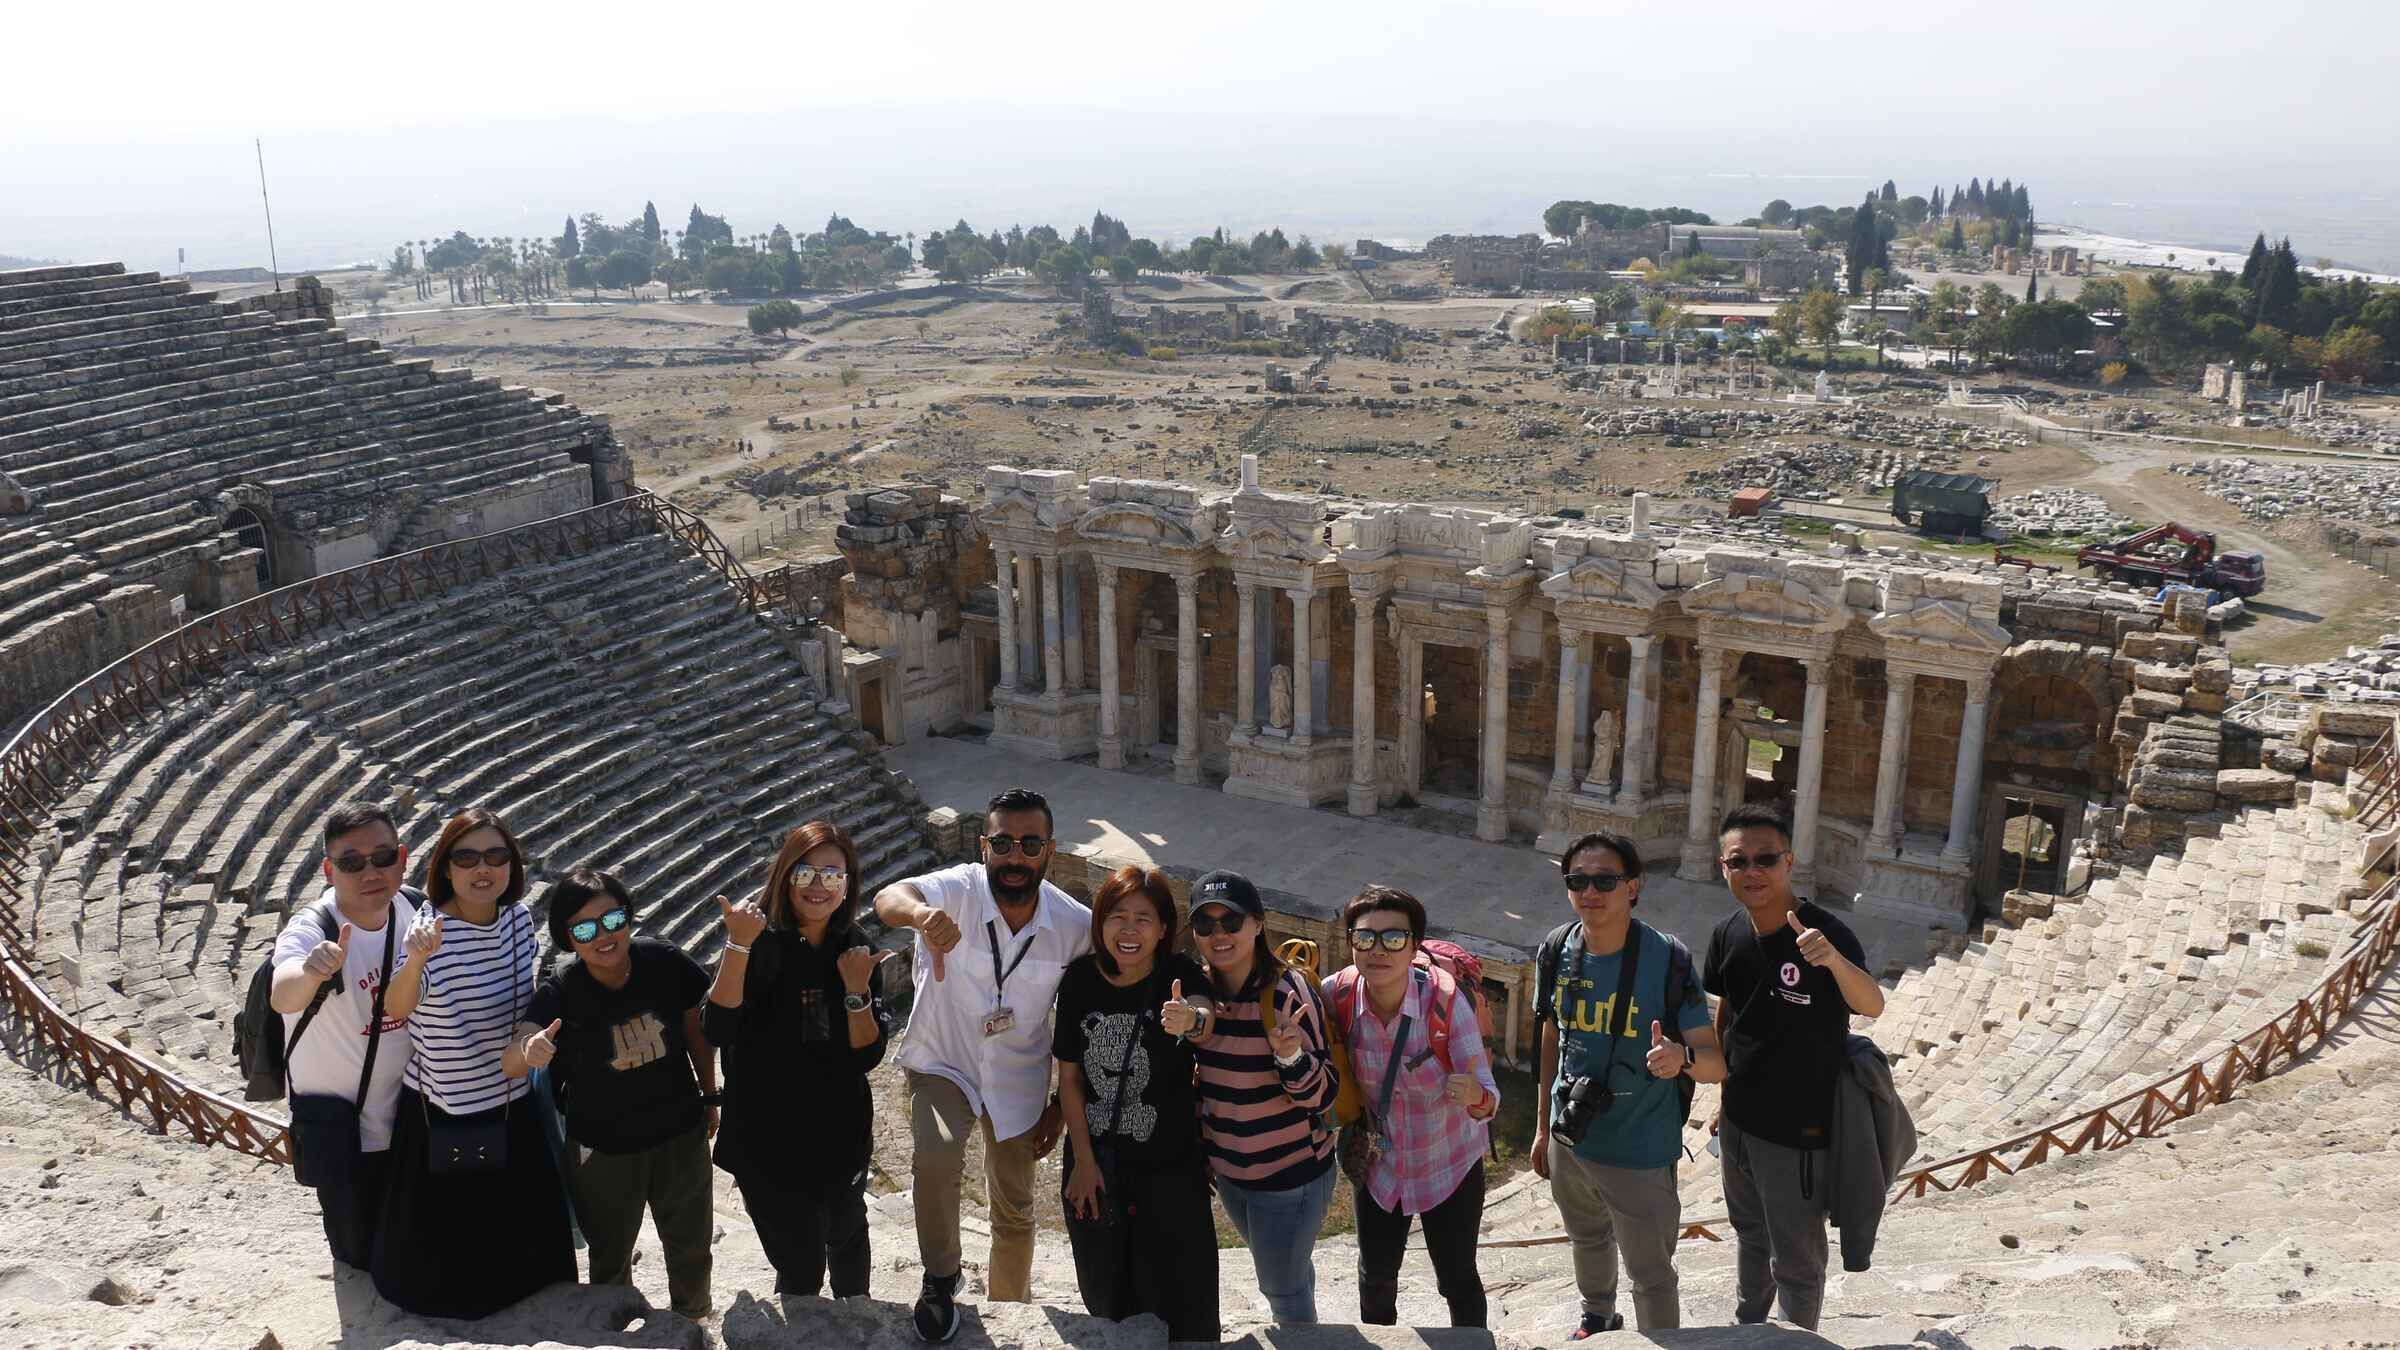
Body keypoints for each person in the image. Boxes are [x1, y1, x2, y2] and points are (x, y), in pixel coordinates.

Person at [873, 787, 1089, 1343]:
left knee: (1015, 1205)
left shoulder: (1074, 925)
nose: (1016, 856)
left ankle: (1010, 1307)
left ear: (1050, 850)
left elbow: (1098, 1002)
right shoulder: (958, 890)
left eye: (1030, 844)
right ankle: (940, 1279)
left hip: (1018, 1073)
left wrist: (1061, 1105)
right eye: (1003, 843)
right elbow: (888, 897)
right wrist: (921, 916)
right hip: (945, 1059)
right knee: (936, 1158)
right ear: (983, 846)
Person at [372, 808, 574, 1318]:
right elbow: (396, 1007)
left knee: (519, 1236)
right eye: (466, 858)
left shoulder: (517, 919)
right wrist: (417, 959)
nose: (482, 868)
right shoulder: (428, 931)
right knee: (457, 1247)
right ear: (446, 867)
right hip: (449, 1106)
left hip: (511, 1091)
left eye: (495, 855)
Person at [1530, 832, 1725, 1336]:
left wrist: (1680, 1058)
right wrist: (1542, 1128)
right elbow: (1552, 1035)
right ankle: (1597, 1317)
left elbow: (1714, 1063)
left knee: (1652, 1274)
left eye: (1605, 881)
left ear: (1633, 887)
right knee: (1586, 1240)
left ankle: (1661, 1342)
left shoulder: (1668, 959)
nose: (1589, 892)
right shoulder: (1557, 947)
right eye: (1578, 880)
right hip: (1570, 1136)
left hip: (1639, 1148)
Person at [1704, 803, 1884, 1330]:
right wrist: (1721, 1097)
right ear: (1723, 867)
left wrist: (1831, 961)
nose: (1752, 871)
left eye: (1766, 859)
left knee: (1797, 1261)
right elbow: (1730, 1016)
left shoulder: (1826, 933)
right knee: (1750, 1235)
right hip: (1739, 1122)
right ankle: (1748, 1329)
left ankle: (1796, 1342)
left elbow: (1871, 1005)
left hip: (1797, 1131)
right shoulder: (1727, 932)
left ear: (1789, 862)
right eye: (1739, 861)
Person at [703, 820, 893, 1300]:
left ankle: (858, 1318)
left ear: (847, 884)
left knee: (848, 1236)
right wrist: (738, 944)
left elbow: (867, 1054)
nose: (817, 885)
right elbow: (717, 1028)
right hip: (767, 1142)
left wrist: (856, 991)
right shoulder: (758, 940)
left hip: (839, 1133)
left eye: (832, 875)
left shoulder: (855, 948)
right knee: (799, 1263)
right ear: (785, 875)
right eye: (805, 872)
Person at [521, 867, 717, 1320]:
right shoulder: (561, 991)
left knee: (691, 1245)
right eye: (585, 929)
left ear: (628, 917)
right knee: (610, 1255)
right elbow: (524, 1039)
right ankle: (615, 1333)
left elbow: (696, 1030)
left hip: (679, 1132)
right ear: (567, 937)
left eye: (612, 920)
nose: (603, 936)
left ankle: (693, 1323)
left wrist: (710, 1097)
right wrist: (528, 1049)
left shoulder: (663, 961)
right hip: (603, 1149)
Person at [1052, 866, 1220, 1342]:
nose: (1129, 931)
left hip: (1171, 1171)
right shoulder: (1080, 981)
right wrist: (1083, 1163)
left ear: (1164, 928)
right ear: (1100, 923)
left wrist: (1189, 1021)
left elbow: (1205, 1017)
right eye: (1117, 916)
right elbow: (1070, 1079)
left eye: (1143, 919)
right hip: (1100, 1168)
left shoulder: (1179, 975)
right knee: (1110, 1301)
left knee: (1187, 1303)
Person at [1323, 886, 1499, 1329]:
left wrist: (1474, 1096)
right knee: (1376, 1277)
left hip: (1448, 1162)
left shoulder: (1444, 1002)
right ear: (1351, 942)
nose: (1378, 950)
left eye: (1394, 938)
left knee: (1457, 1279)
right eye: (1366, 937)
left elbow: (1489, 1098)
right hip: (1380, 1162)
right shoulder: (1337, 996)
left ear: (1414, 946)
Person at [267, 802, 431, 1268]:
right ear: (329, 870)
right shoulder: (313, 928)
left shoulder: (414, 909)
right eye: (352, 862)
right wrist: (312, 971)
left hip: (410, 1118)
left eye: (383, 857)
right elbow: (283, 995)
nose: (370, 872)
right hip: (342, 1130)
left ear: (402, 858)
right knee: (357, 1254)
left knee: (411, 1245)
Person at [1189, 868, 1338, 1325]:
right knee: (1290, 1274)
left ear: (1257, 924)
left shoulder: (1286, 994)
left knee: (1281, 1289)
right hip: (1232, 1174)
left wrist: (1290, 1056)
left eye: (1231, 922)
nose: (1219, 935)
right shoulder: (1199, 993)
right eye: (1205, 924)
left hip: (1289, 1176)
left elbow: (1322, 1095)